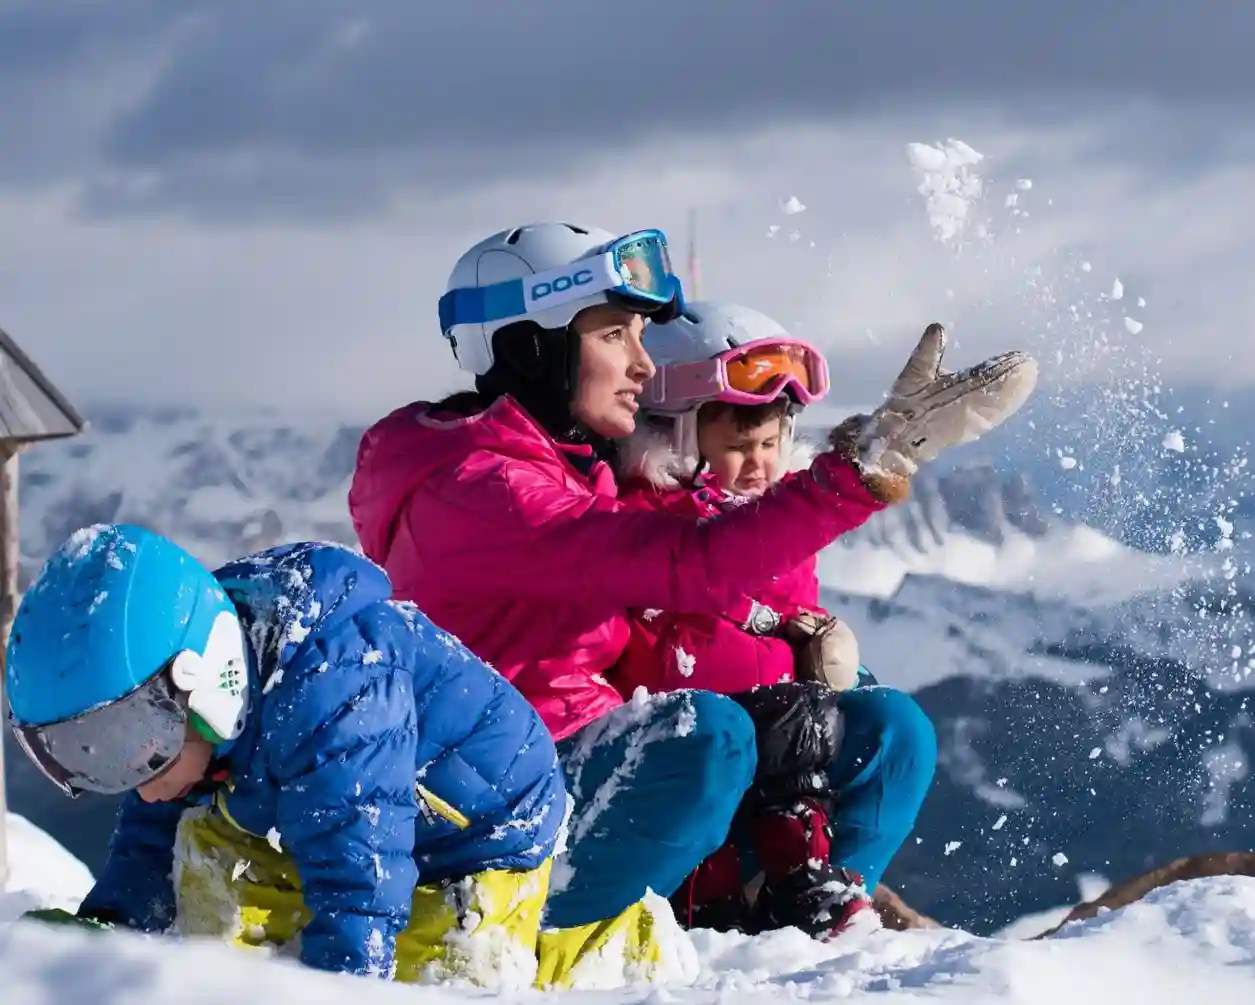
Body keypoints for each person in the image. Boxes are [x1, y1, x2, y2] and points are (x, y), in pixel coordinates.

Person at [348, 222, 1037, 972]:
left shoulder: (565, 465)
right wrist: (865, 466)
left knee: (881, 727)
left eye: (641, 335)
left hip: (588, 777)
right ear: (526, 347)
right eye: (616, 333)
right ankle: (573, 949)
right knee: (704, 736)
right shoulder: (484, 490)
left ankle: (799, 940)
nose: (642, 362)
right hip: (505, 818)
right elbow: (691, 561)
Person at [7, 525, 566, 987]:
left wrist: (338, 987)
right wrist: (115, 931)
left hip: (477, 839)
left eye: (135, 752)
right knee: (194, 855)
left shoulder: (336, 692)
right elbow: (150, 834)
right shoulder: (190, 703)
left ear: (202, 686)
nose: (140, 785)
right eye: (98, 761)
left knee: (437, 982)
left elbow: (360, 885)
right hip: (325, 811)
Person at [610, 300, 931, 939]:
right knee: (727, 737)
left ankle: (822, 901)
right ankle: (713, 911)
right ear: (673, 434)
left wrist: (818, 659)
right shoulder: (637, 528)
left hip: (781, 768)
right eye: (736, 446)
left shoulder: (778, 522)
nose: (758, 464)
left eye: (770, 443)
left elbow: (789, 620)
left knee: (900, 728)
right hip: (686, 784)